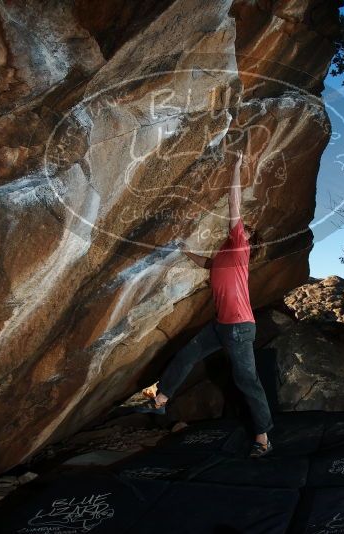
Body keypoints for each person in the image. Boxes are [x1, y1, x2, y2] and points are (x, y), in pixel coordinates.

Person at [133, 149, 274, 459]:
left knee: (246, 380)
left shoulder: (239, 246)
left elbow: (234, 204)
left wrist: (236, 166)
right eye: (243, 227)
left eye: (246, 229)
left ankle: (263, 438)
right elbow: (206, 263)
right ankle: (161, 400)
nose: (242, 227)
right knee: (187, 354)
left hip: (238, 328)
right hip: (221, 326)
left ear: (247, 240)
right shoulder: (225, 255)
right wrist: (185, 250)